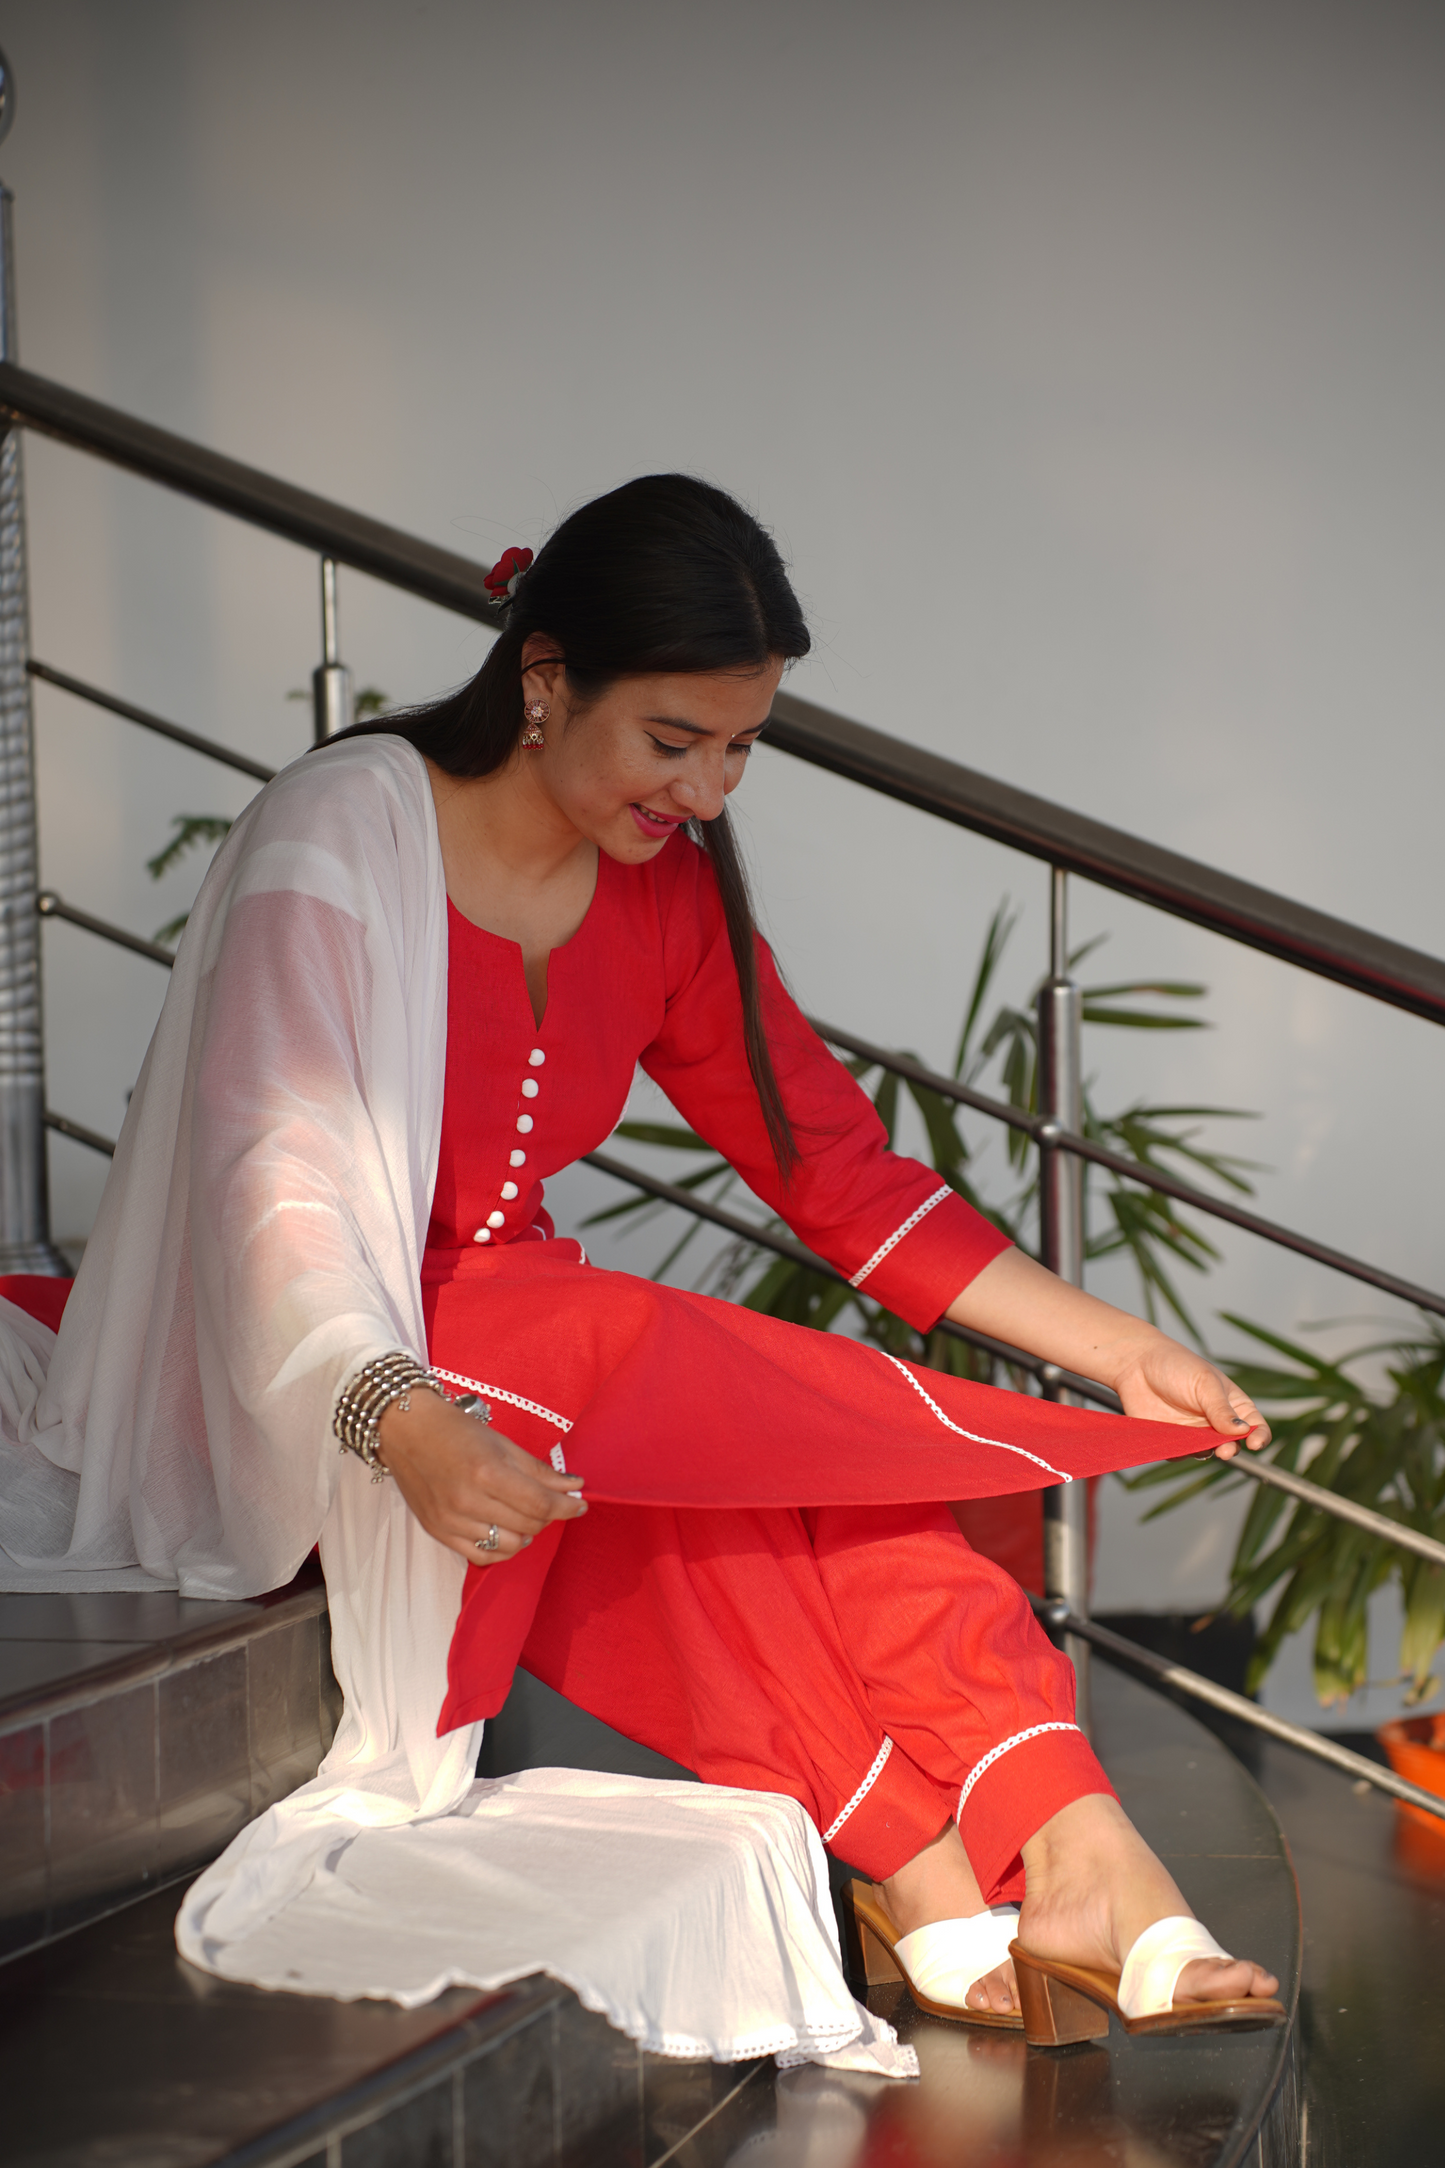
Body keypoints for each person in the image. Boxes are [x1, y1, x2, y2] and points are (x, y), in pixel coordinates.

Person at [0, 473, 1279, 2049]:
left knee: (761, 1451)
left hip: (525, 1333)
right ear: (544, 678)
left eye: (741, 748)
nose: (710, 791)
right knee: (644, 1379)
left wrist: (1118, 1349)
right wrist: (396, 1411)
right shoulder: (339, 833)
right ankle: (961, 1857)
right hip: (322, 1349)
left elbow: (836, 1172)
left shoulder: (664, 888)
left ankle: (1053, 1839)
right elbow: (273, 1179)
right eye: (675, 740)